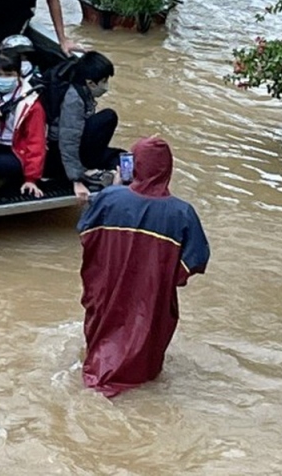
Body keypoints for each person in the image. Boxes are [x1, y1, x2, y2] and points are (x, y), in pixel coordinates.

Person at [77, 136, 210, 397]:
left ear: (134, 166)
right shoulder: (182, 213)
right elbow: (195, 261)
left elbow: (86, 235)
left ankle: (97, 380)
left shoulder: (109, 198)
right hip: (150, 301)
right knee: (144, 363)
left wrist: (116, 188)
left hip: (107, 290)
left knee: (102, 340)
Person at [0, 54, 47, 197]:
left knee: (2, 165)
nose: (3, 78)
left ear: (18, 75)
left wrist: (31, 179)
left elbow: (36, 142)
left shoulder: (31, 105)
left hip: (13, 149)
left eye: (8, 74)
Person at [58, 51, 121, 203]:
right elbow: (68, 140)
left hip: (82, 150)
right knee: (108, 116)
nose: (106, 87)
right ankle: (91, 173)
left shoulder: (84, 92)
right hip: (60, 155)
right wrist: (76, 180)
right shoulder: (73, 99)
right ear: (91, 83)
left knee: (122, 156)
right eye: (104, 81)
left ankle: (106, 173)